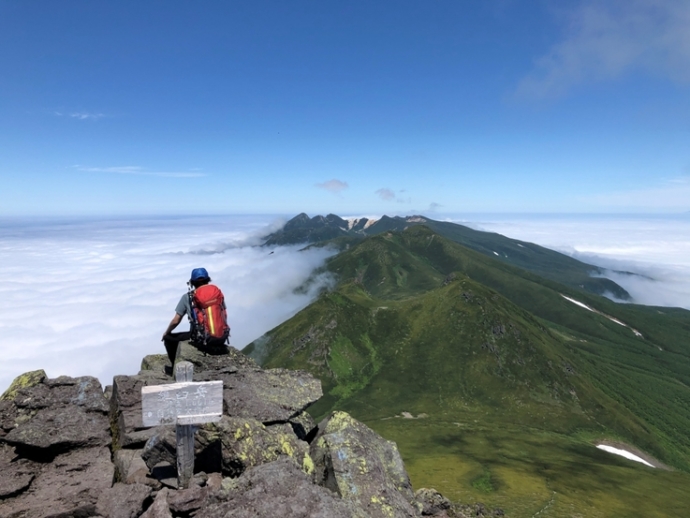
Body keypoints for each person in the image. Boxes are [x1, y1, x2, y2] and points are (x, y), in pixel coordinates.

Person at [162, 267, 229, 368]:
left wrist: (166, 332)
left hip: (201, 339)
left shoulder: (188, 297)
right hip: (222, 337)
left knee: (168, 339)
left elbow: (176, 321)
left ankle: (174, 368)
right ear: (208, 280)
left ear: (192, 282)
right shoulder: (217, 293)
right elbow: (223, 313)